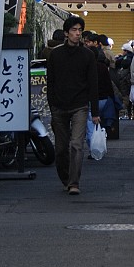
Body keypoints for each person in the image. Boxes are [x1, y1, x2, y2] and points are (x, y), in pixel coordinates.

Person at [46, 16, 100, 195]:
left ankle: (74, 182)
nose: (78, 34)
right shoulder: (55, 54)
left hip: (80, 105)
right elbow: (50, 82)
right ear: (67, 32)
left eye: (80, 30)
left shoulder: (88, 55)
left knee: (76, 144)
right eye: (74, 30)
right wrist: (52, 104)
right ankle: (66, 178)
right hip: (59, 106)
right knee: (61, 148)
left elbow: (93, 83)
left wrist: (95, 111)